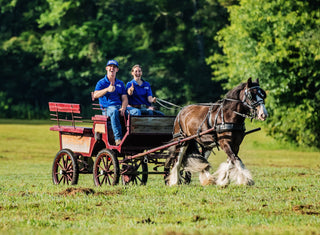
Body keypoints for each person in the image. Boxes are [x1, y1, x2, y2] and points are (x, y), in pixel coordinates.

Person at [93, 59, 141, 145]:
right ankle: (118, 139)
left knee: (136, 111)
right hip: (107, 109)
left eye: (114, 67)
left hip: (119, 106)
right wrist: (107, 89)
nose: (112, 68)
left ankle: (133, 136)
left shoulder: (120, 83)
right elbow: (95, 95)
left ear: (117, 70)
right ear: (106, 68)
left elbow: (125, 98)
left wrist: (123, 107)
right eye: (110, 66)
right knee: (114, 111)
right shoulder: (101, 82)